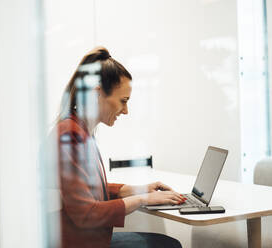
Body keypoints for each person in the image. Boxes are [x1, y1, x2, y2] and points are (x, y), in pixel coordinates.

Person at [46, 47, 184, 248]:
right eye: (123, 101)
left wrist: (137, 190)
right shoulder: (69, 136)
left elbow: (85, 191)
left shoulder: (79, 132)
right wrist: (143, 199)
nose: (126, 111)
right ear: (97, 94)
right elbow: (86, 213)